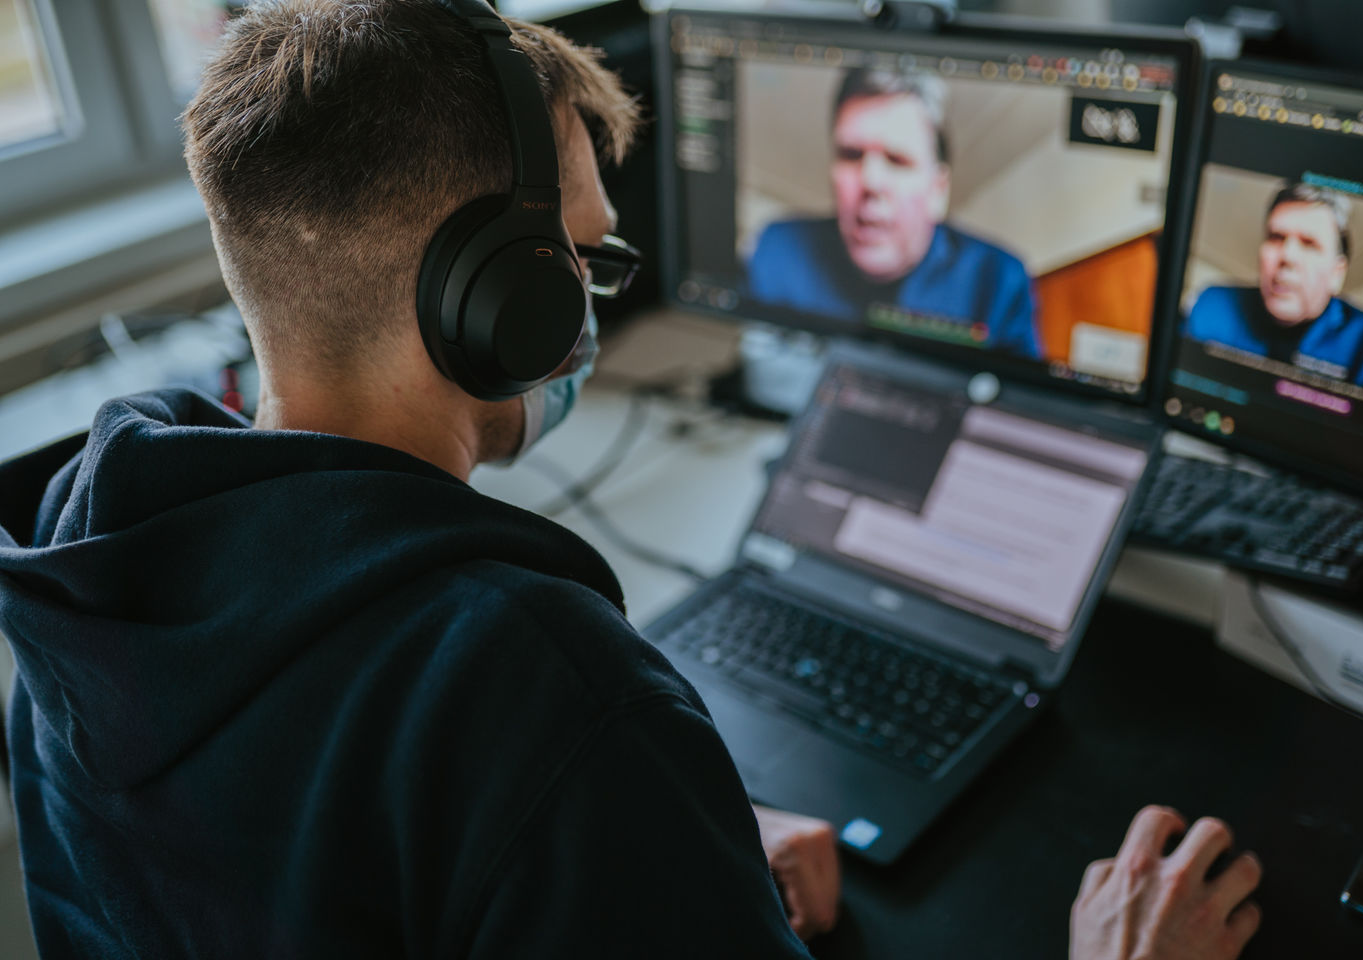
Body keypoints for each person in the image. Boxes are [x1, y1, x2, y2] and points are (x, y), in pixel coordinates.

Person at [0, 2, 1260, 957]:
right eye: (587, 263)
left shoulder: (93, 559)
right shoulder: (547, 694)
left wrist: (652, 852)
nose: (591, 307)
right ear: (500, 301)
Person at [747, 67, 1040, 358]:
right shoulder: (776, 252)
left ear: (938, 190)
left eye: (897, 160)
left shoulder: (998, 279)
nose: (870, 181)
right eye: (851, 155)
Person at [1186, 181, 1363, 397]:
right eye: (1276, 237)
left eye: (1309, 243)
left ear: (1337, 274)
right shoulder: (1211, 306)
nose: (1287, 256)